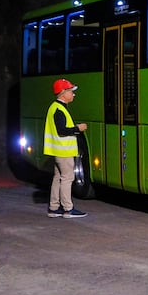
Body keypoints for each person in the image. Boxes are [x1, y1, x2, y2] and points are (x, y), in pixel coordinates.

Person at [44, 79, 88, 218]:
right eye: (71, 91)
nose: (73, 94)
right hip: (64, 151)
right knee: (67, 178)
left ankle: (54, 208)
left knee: (58, 177)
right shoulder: (59, 109)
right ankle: (68, 209)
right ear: (63, 93)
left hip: (58, 151)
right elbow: (62, 130)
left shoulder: (55, 107)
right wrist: (78, 128)